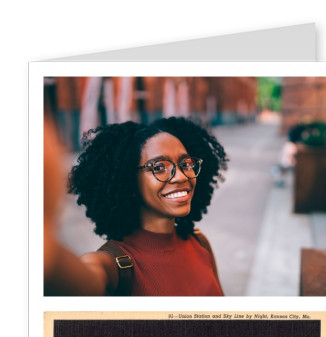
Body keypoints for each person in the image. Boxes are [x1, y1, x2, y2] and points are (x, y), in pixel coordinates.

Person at [48, 116, 228, 296]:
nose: (181, 176)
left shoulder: (200, 243)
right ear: (130, 181)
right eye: (159, 168)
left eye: (186, 164)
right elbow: (73, 279)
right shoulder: (112, 266)